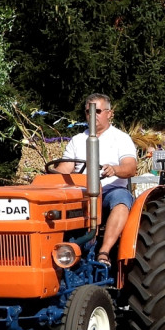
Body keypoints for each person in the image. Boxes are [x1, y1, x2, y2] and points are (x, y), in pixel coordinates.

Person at [58, 93, 138, 267]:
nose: (92, 115)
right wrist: (51, 174)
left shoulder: (121, 138)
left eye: (98, 111)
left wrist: (115, 169)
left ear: (110, 113)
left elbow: (131, 167)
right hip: (81, 192)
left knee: (121, 200)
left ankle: (104, 251)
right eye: (88, 112)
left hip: (110, 189)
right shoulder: (77, 140)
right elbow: (65, 168)